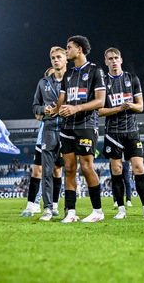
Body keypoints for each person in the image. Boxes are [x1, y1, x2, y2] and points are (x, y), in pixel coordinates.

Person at [99, 47, 144, 219]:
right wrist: (118, 108)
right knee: (117, 169)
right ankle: (121, 210)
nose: (113, 61)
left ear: (121, 59)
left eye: (116, 58)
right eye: (110, 58)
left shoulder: (132, 79)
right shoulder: (102, 82)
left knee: (139, 167)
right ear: (106, 62)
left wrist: (130, 106)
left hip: (132, 131)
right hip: (113, 132)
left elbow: (140, 106)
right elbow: (98, 111)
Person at [57, 36, 106, 223]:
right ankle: (71, 212)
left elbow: (100, 101)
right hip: (67, 127)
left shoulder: (95, 71)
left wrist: (76, 108)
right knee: (69, 168)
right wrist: (52, 109)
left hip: (86, 125)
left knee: (86, 167)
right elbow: (62, 102)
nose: (66, 51)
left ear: (79, 50)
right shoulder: (67, 75)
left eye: (68, 48)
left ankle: (97, 211)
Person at [26, 48, 67, 221]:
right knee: (46, 171)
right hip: (49, 130)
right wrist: (45, 110)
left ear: (66, 59)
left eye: (59, 57)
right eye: (53, 58)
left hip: (68, 130)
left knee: (68, 170)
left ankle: (69, 209)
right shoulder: (43, 83)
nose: (56, 60)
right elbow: (35, 107)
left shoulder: (72, 80)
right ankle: (47, 208)